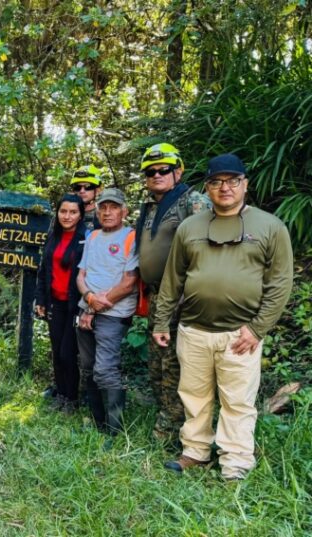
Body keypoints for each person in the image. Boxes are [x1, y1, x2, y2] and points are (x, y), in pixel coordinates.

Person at [155, 154, 293, 480]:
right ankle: (195, 452)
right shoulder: (190, 227)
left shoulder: (270, 227)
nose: (225, 187)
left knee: (238, 402)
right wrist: (161, 320)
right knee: (194, 396)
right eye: (216, 182)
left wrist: (257, 329)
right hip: (193, 330)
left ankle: (235, 464)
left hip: (240, 335)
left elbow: (280, 283)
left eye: (233, 180)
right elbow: (173, 278)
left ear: (245, 184)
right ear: (207, 188)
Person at [135, 143, 210, 442]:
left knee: (174, 365)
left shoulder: (193, 202)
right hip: (157, 297)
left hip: (182, 298)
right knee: (157, 363)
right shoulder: (151, 207)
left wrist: (189, 292)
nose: (156, 175)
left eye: (163, 170)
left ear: (178, 171)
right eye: (150, 171)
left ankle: (172, 430)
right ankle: (165, 416)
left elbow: (207, 252)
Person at [75, 188, 138, 440]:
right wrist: (89, 300)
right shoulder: (92, 237)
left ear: (124, 211)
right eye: (103, 207)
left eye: (113, 207)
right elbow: (81, 276)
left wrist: (94, 306)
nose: (107, 212)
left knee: (105, 369)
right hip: (87, 307)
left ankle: (114, 430)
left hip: (114, 313)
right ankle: (97, 421)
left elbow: (128, 283)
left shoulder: (131, 237)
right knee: (88, 366)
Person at [34, 194, 88, 411]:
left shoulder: (86, 238)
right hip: (54, 301)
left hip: (75, 304)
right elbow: (43, 270)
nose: (67, 216)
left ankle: (72, 398)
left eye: (73, 212)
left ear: (81, 215)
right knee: (57, 351)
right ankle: (62, 395)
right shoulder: (53, 236)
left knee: (68, 353)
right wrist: (41, 298)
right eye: (63, 211)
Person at [69, 165, 102, 233]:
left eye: (88, 186)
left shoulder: (105, 216)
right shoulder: (65, 215)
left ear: (98, 190)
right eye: (77, 187)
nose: (82, 191)